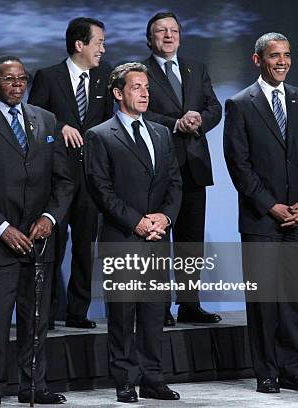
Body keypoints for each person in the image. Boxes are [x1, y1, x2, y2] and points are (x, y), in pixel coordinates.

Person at [0, 56, 73, 408]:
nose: (17, 84)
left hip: (38, 241)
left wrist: (49, 218)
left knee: (36, 320)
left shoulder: (45, 120)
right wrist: (3, 229)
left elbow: (64, 181)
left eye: (22, 78)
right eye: (9, 79)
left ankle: (33, 386)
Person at [223, 32, 298, 393]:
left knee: (296, 299)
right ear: (257, 60)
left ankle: (293, 369)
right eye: (274, 55)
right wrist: (271, 205)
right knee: (265, 300)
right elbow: (239, 165)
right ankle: (266, 371)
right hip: (261, 219)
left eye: (286, 55)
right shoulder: (239, 104)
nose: (282, 61)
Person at [84, 62, 182, 402]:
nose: (144, 93)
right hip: (122, 237)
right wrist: (137, 221)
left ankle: (153, 378)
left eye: (146, 88)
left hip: (157, 236)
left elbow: (174, 184)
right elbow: (101, 189)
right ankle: (124, 379)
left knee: (155, 312)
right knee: (123, 315)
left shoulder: (161, 133)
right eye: (137, 87)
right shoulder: (99, 135)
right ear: (118, 93)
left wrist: (164, 218)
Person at [28, 17, 113, 330]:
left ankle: (78, 311)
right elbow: (34, 122)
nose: (103, 49)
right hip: (57, 180)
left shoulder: (104, 78)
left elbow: (106, 127)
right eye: (99, 42)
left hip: (91, 179)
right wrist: (58, 126)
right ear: (80, 45)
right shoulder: (48, 77)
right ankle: (46, 313)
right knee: (53, 245)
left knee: (85, 247)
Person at [141, 12, 222, 326]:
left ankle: (190, 304)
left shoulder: (196, 68)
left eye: (174, 30)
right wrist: (175, 123)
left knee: (191, 241)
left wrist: (199, 120)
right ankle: (158, 308)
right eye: (161, 31)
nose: (169, 35)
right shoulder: (140, 71)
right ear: (150, 39)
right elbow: (139, 113)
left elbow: (213, 107)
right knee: (159, 240)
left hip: (194, 167)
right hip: (158, 168)